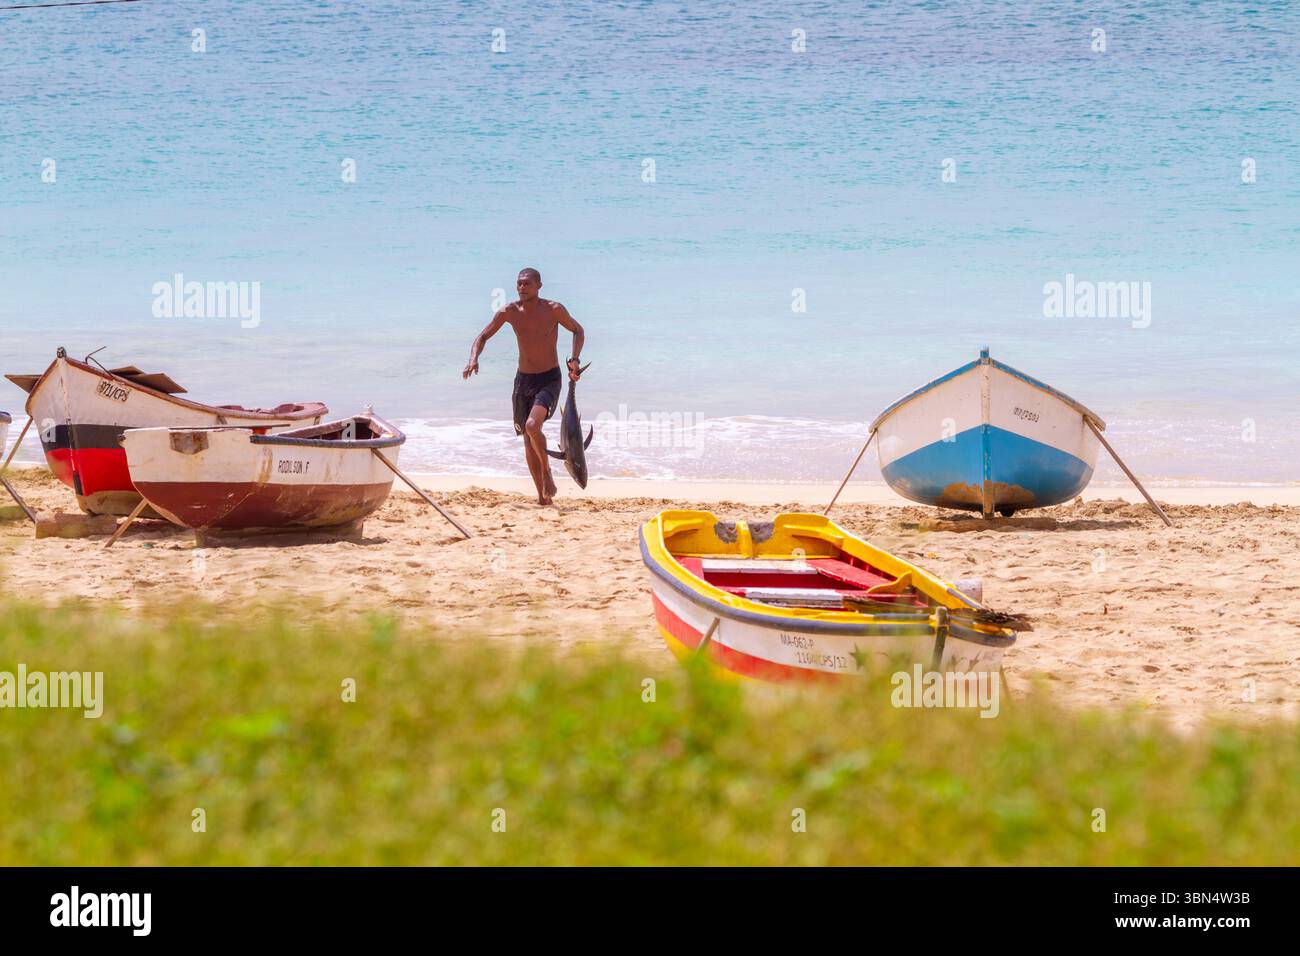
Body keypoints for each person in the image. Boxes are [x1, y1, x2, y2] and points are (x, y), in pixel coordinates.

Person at [463, 268, 585, 505]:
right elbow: (483, 336)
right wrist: (473, 358)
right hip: (523, 381)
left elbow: (578, 330)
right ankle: (542, 497)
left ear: (539, 285)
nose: (522, 288)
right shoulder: (510, 311)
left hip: (549, 378)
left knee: (532, 425)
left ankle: (547, 472)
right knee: (528, 439)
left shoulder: (554, 310)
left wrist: (575, 359)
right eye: (519, 284)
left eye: (527, 284)